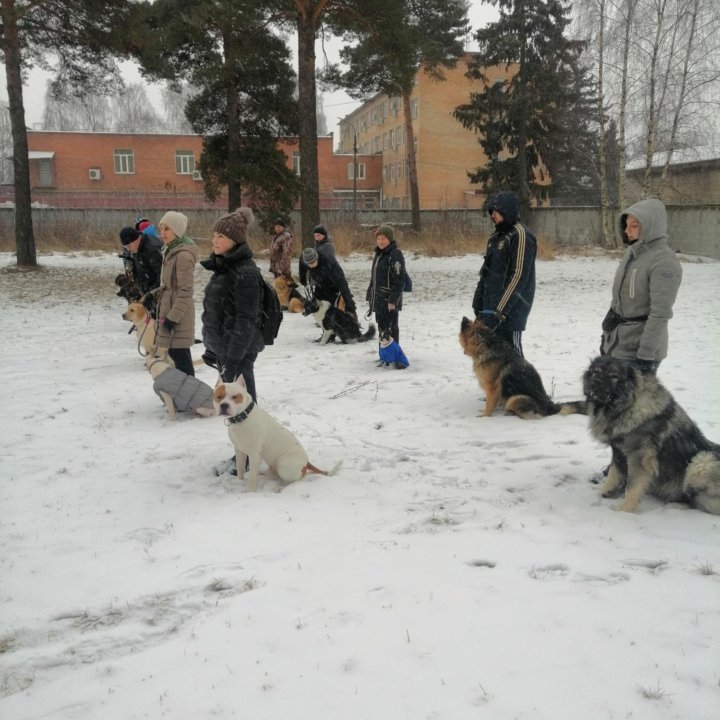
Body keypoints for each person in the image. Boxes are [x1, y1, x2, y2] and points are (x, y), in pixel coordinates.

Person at [600, 197, 682, 375]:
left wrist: (645, 357)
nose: (627, 230)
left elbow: (660, 314)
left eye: (634, 225)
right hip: (619, 344)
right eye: (626, 225)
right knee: (611, 401)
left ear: (650, 226)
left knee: (632, 402)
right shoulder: (633, 253)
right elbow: (620, 298)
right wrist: (607, 330)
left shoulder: (664, 262)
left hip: (638, 352)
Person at [200, 207, 265, 403]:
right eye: (214, 235)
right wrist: (213, 347)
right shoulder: (224, 268)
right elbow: (217, 313)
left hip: (239, 351)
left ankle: (252, 427)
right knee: (233, 404)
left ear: (235, 240)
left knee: (244, 402)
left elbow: (246, 320)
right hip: (226, 349)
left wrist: (233, 359)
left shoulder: (245, 272)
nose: (214, 240)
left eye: (220, 235)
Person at [472, 190, 536, 358]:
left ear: (507, 211)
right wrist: (479, 298)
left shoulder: (521, 235)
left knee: (513, 354)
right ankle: (500, 384)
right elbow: (486, 270)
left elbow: (519, 275)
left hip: (512, 308)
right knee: (493, 354)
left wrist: (501, 310)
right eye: (491, 211)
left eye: (496, 211)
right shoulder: (496, 237)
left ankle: (522, 383)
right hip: (491, 306)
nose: (493, 215)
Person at [143, 211, 198, 376]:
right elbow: (169, 285)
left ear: (178, 231)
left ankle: (190, 395)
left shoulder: (183, 256)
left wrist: (173, 317)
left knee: (181, 357)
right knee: (175, 355)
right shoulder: (170, 251)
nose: (163, 233)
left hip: (179, 316)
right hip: (169, 311)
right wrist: (152, 294)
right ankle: (184, 393)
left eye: (167, 229)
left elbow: (185, 291)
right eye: (161, 228)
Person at [366, 224, 406, 345]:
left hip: (389, 300)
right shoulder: (379, 254)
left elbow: (399, 280)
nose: (380, 241)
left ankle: (395, 357)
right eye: (378, 239)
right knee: (382, 329)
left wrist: (392, 301)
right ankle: (384, 356)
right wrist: (370, 295)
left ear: (390, 239)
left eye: (383, 238)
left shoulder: (395, 254)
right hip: (378, 299)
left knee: (391, 329)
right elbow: (374, 278)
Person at [301, 245, 356, 317]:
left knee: (332, 309)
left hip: (333, 285)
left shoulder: (329, 263)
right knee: (317, 302)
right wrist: (302, 279)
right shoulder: (304, 259)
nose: (311, 265)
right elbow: (301, 267)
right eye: (309, 264)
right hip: (320, 284)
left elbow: (342, 283)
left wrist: (348, 302)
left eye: (313, 262)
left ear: (317, 257)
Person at [118, 226, 163, 295]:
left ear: (137, 239)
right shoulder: (137, 246)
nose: (128, 250)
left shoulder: (152, 250)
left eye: (129, 246)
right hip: (145, 289)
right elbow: (140, 264)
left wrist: (150, 294)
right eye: (125, 247)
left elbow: (162, 276)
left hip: (157, 293)